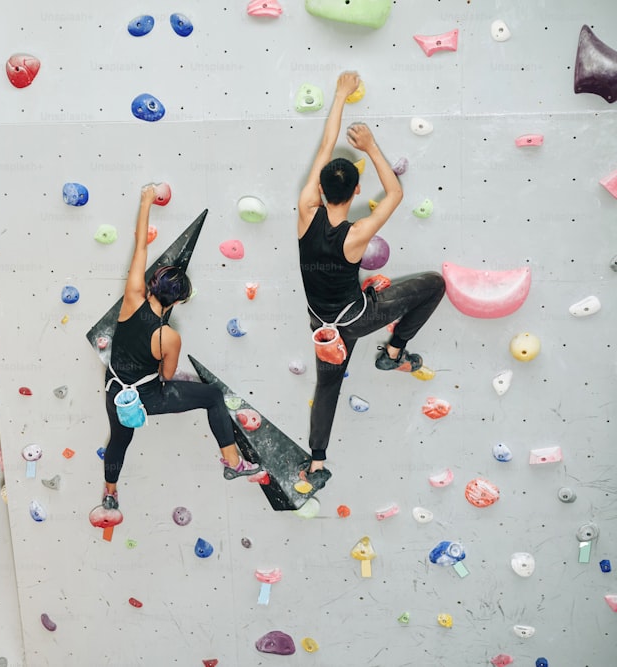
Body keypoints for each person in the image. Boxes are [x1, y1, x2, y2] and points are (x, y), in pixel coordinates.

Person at [296, 71, 446, 485]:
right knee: (434, 283)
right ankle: (394, 352)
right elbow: (395, 194)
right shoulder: (356, 234)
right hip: (358, 317)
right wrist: (371, 145)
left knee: (328, 389)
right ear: (358, 189)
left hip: (322, 328)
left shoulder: (306, 212)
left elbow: (325, 147)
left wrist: (340, 96)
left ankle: (318, 463)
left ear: (322, 190)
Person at [101, 185, 266, 510]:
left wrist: (147, 201)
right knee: (212, 397)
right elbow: (166, 374)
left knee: (120, 438)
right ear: (177, 301)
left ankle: (110, 491)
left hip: (113, 392)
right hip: (145, 398)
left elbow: (140, 250)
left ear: (152, 284)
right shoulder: (168, 338)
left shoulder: (132, 299)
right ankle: (233, 462)